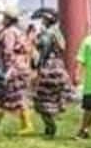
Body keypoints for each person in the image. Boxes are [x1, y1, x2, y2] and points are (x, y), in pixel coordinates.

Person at [0, 12, 34, 134]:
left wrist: (7, 69)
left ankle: (27, 125)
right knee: (2, 96)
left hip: (14, 68)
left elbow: (8, 51)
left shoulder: (9, 33)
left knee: (17, 95)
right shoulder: (18, 31)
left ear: (8, 19)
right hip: (21, 66)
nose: (2, 19)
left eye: (4, 17)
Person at [31, 10, 76, 138]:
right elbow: (63, 48)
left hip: (48, 67)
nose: (42, 21)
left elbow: (44, 51)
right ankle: (51, 123)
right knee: (53, 95)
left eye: (44, 19)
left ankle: (50, 125)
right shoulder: (58, 33)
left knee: (41, 97)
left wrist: (37, 65)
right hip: (58, 66)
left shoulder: (47, 34)